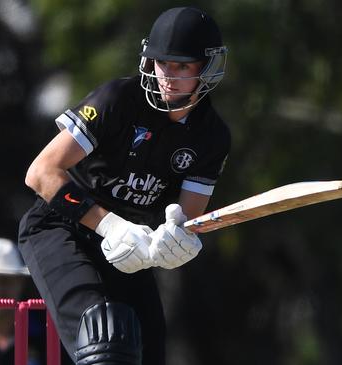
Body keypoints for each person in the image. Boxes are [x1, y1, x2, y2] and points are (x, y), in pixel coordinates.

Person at [18, 6, 230, 365]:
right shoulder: (117, 100)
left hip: (133, 250)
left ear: (206, 68)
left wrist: (174, 244)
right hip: (59, 228)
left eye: (182, 66)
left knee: (147, 354)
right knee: (104, 341)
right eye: (162, 63)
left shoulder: (212, 137)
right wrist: (110, 225)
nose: (168, 77)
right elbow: (41, 172)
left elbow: (186, 217)